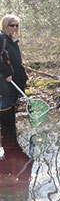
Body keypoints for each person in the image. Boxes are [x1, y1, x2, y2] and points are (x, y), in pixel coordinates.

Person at [0, 14, 28, 149]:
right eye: (12, 25)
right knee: (7, 99)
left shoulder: (12, 39)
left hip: (16, 75)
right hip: (7, 78)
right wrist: (7, 73)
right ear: (6, 25)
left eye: (16, 25)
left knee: (12, 99)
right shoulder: (2, 38)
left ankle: (10, 128)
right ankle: (6, 131)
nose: (15, 28)